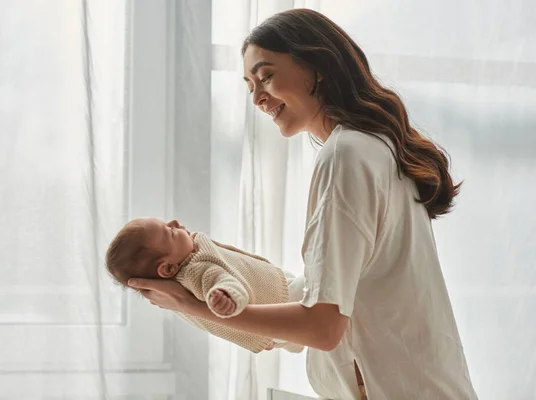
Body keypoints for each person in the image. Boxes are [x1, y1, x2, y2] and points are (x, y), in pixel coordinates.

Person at [128, 8, 478, 400]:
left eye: (266, 76)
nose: (258, 98)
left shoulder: (346, 154)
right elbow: (344, 298)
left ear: (318, 67)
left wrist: (192, 308)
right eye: (249, 86)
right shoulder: (372, 146)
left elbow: (323, 327)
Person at [105, 217, 305, 353]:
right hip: (282, 298)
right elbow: (224, 283)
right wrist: (225, 296)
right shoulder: (195, 271)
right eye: (171, 232)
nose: (175, 222)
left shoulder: (179, 284)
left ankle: (292, 340)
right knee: (315, 284)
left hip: (273, 295)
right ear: (168, 269)